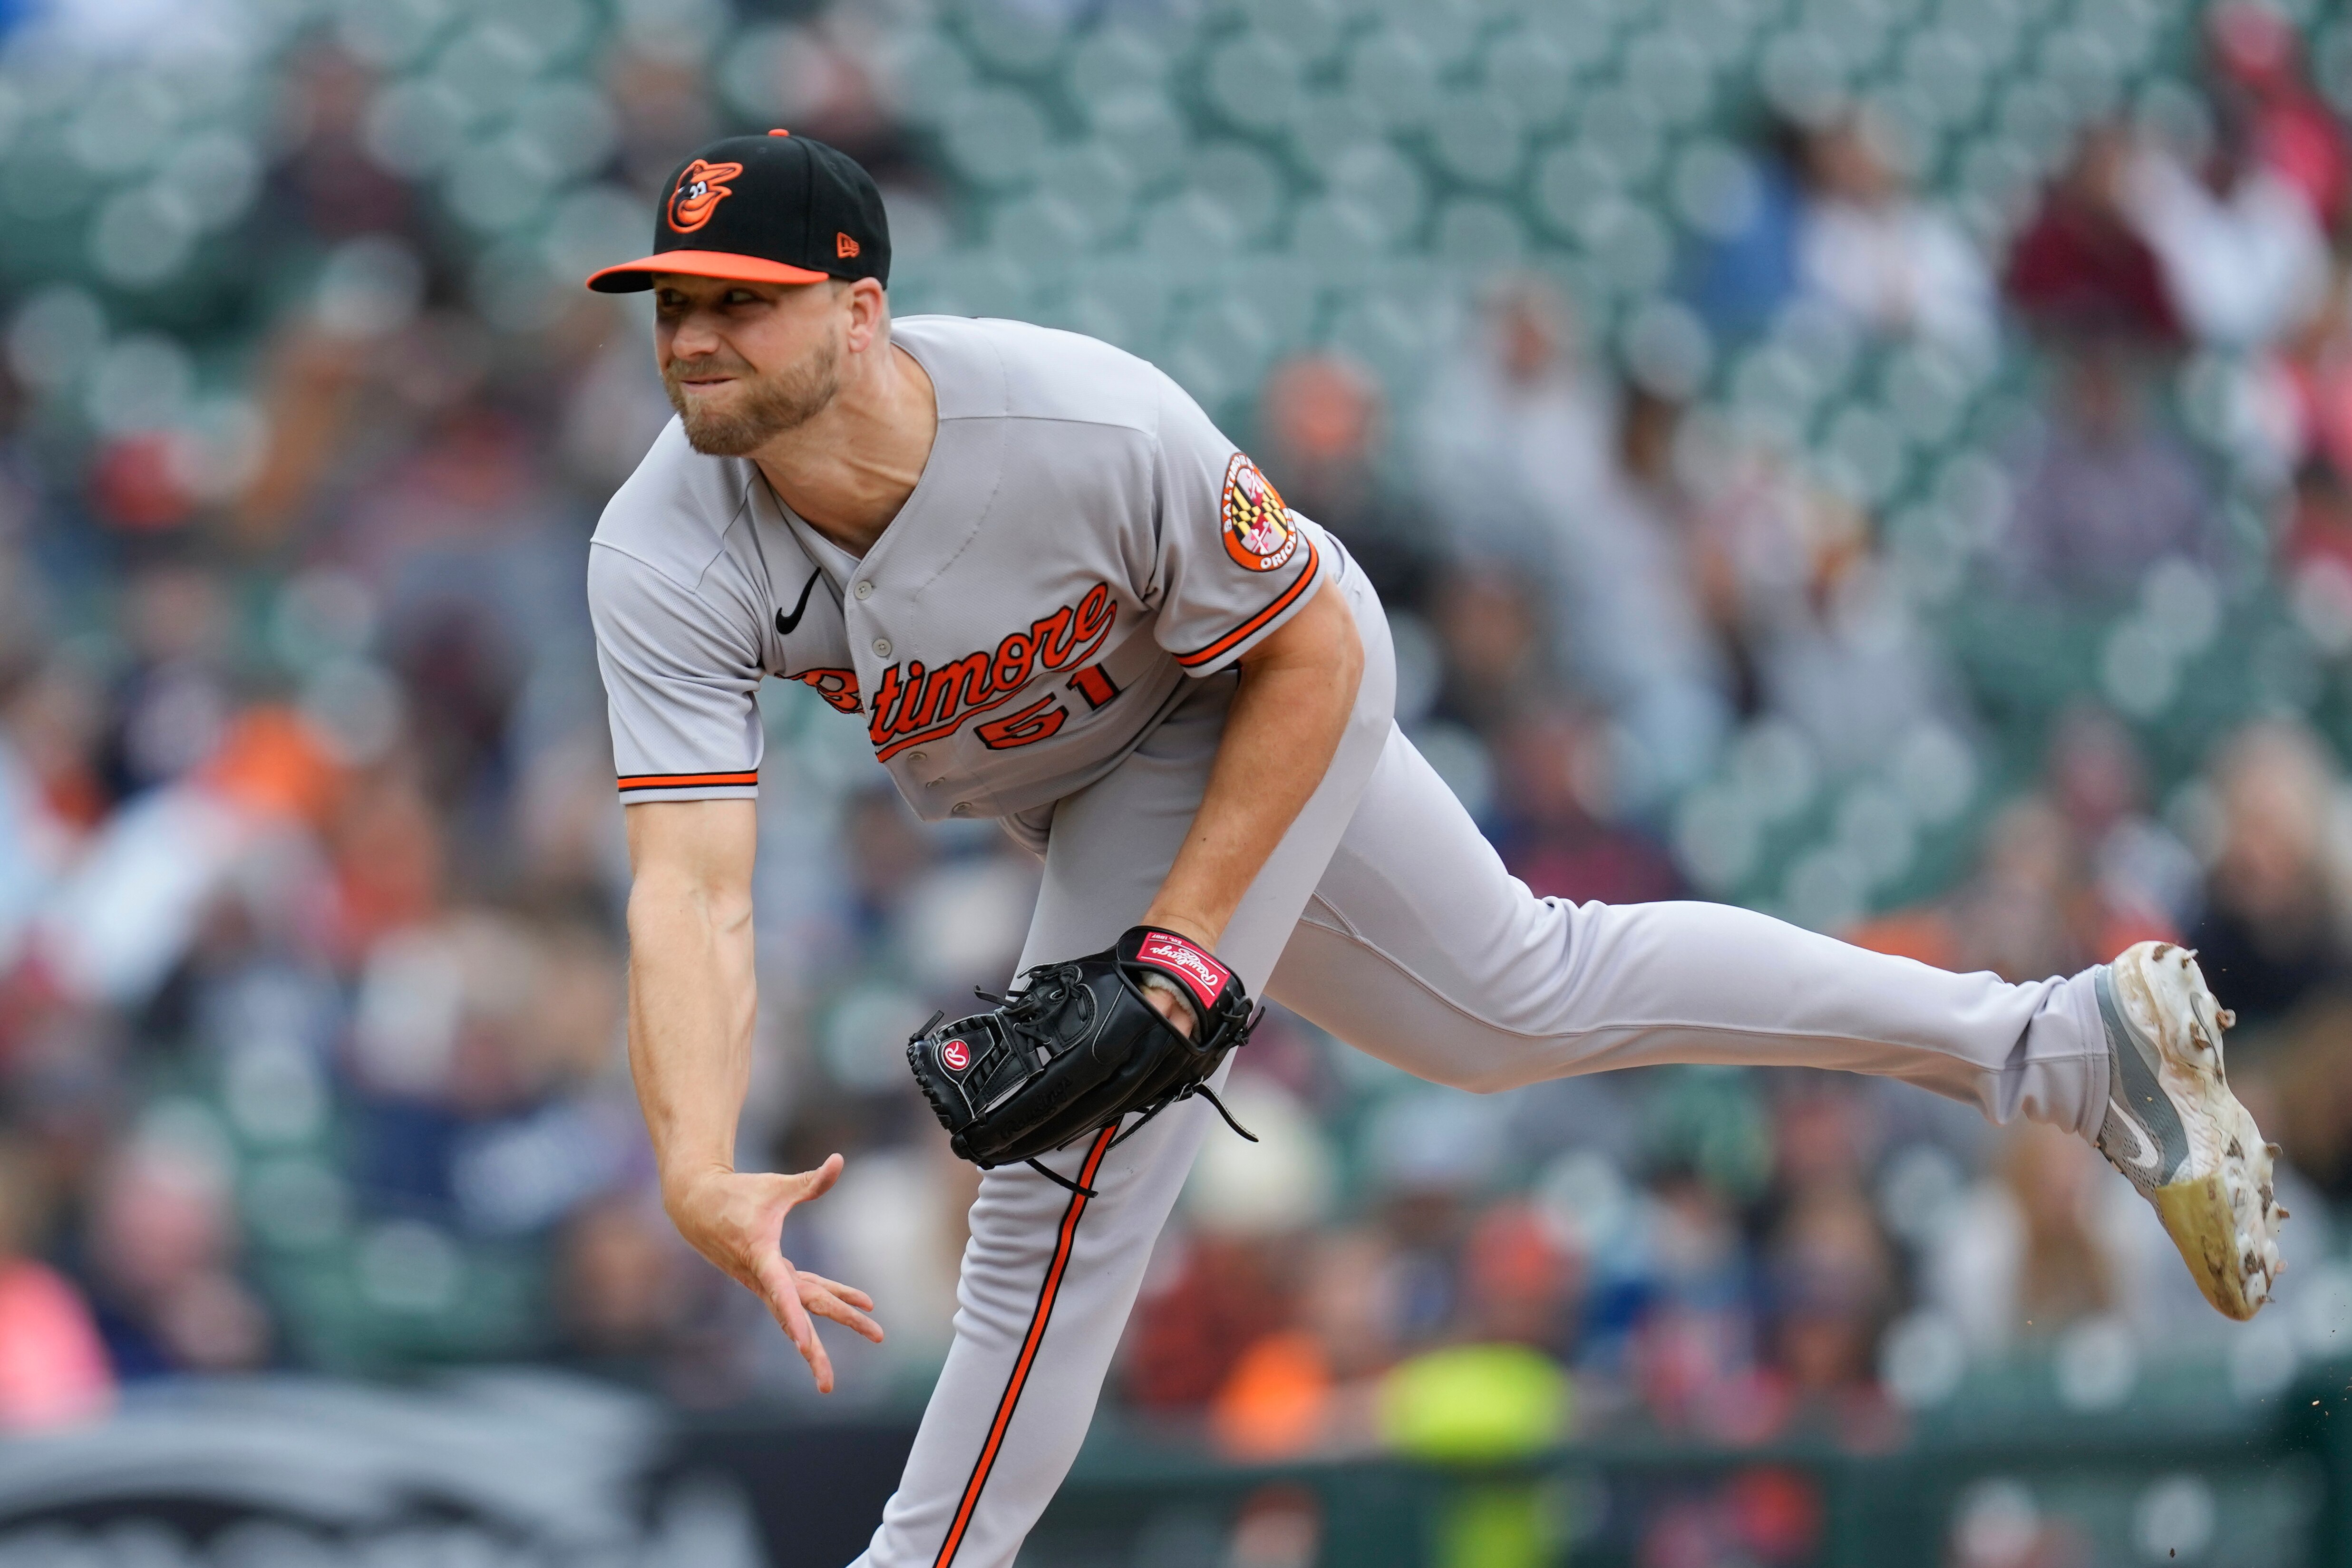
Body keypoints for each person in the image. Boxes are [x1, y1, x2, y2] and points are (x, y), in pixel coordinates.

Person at [583, 132, 2285, 1568]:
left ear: (861, 307)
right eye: (671, 301)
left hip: (1264, 677)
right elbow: (691, 883)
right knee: (1517, 1003)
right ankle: (2061, 1041)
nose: (692, 336)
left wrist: (1178, 952)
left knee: (1062, 1171)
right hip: (1087, 773)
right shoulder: (665, 540)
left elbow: (1312, 644)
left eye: (742, 298)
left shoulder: (1079, 423)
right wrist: (690, 1157)